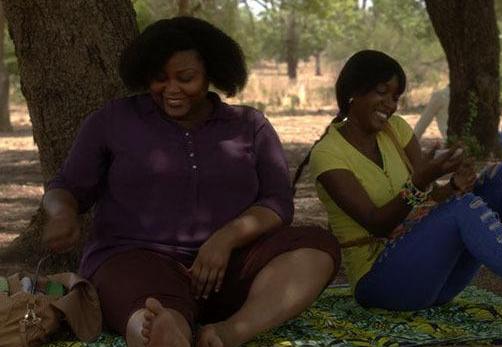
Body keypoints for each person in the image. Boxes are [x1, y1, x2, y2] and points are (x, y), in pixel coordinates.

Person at [42, 17, 340, 347]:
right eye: (159, 79)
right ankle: (161, 328)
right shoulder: (112, 120)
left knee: (316, 248)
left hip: (232, 269)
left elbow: (277, 203)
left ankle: (229, 332)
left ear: (211, 73)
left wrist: (225, 239)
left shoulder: (249, 126)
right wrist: (61, 214)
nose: (171, 89)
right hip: (136, 262)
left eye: (186, 78)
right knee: (145, 306)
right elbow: (65, 187)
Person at [294, 50, 502, 331]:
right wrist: (421, 180)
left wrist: (451, 186)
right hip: (382, 284)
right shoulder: (328, 154)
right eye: (382, 92)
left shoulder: (396, 131)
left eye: (395, 97)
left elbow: (427, 202)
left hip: (435, 278)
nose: (390, 105)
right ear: (353, 91)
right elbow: (376, 222)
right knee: (463, 210)